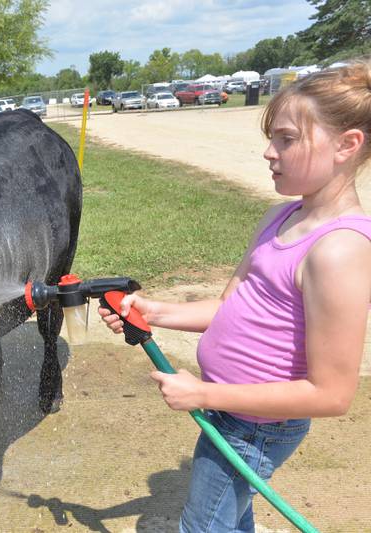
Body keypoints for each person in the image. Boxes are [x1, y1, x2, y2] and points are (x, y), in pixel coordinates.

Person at [99, 61, 371, 532]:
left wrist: (203, 392)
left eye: (287, 139)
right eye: (272, 138)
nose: (269, 152)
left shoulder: (340, 250)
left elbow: (331, 394)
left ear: (347, 145)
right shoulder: (279, 217)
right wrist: (154, 311)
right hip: (230, 412)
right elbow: (230, 307)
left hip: (257, 427)